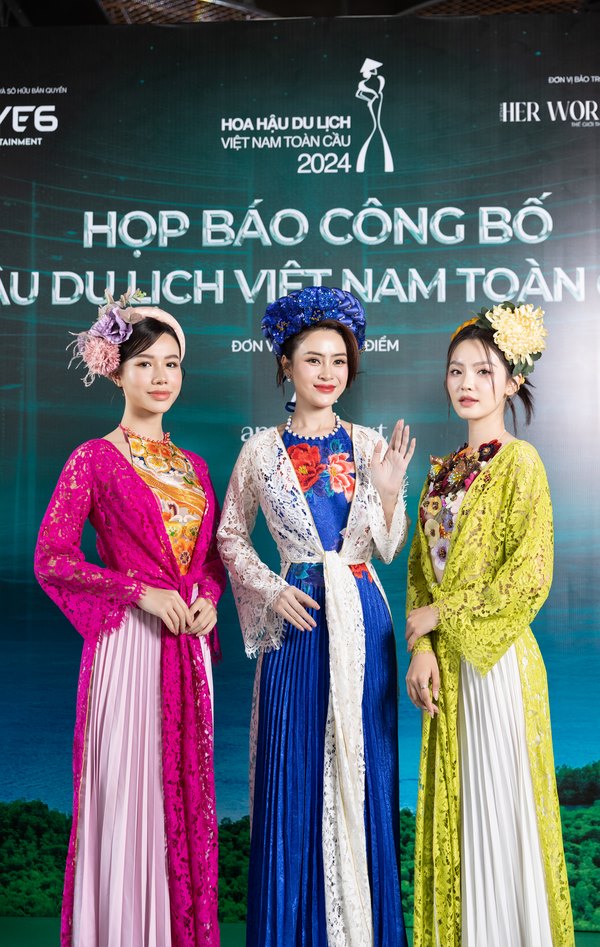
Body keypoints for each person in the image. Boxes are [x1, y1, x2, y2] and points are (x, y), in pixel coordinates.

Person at [217, 286, 414, 947]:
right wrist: (270, 589)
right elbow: (230, 537)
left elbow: (388, 547)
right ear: (285, 365)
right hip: (296, 621)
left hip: (362, 615)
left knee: (365, 770)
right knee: (292, 771)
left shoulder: (369, 444)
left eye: (339, 360)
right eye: (313, 359)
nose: (328, 372)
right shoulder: (259, 452)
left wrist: (389, 494)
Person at [34, 290, 225, 947]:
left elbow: (209, 561)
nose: (161, 377)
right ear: (115, 370)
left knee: (184, 799)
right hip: (130, 648)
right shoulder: (93, 458)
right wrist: (138, 592)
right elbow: (53, 557)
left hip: (186, 648)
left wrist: (207, 598)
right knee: (127, 796)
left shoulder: (195, 466)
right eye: (144, 364)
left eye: (172, 363)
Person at [405, 303, 574, 947]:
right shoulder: (441, 473)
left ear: (512, 382)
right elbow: (420, 574)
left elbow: (530, 575)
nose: (467, 383)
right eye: (457, 370)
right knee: (463, 813)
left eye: (483, 370)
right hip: (447, 666)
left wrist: (444, 615)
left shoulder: (521, 463)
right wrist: (422, 647)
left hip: (497, 663)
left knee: (501, 808)